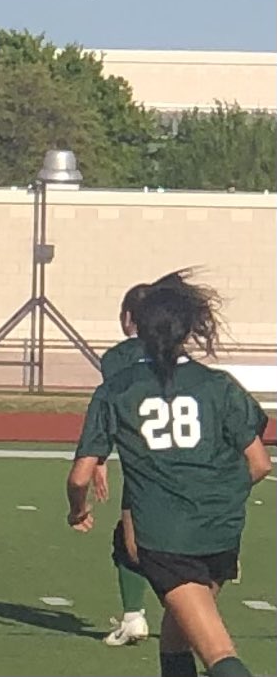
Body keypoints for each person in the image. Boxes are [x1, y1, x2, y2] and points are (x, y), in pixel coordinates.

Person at [66, 272, 272, 677]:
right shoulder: (219, 385)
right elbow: (260, 464)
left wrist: (77, 510)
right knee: (177, 632)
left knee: (218, 653)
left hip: (166, 535)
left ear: (137, 326)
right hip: (221, 530)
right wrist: (220, 493)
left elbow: (79, 477)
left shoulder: (119, 387)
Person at [94, 282, 154, 647]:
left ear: (130, 317)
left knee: (133, 544)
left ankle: (134, 616)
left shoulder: (117, 358)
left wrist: (98, 455)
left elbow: (116, 408)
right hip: (192, 461)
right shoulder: (183, 358)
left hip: (145, 461)